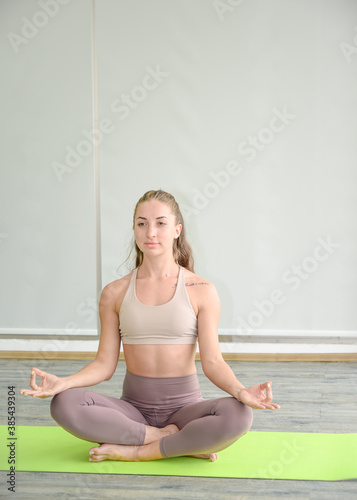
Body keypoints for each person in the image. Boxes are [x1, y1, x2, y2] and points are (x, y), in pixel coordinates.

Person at [20, 189, 280, 463]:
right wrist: (63, 383)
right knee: (64, 403)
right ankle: (173, 440)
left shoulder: (201, 290)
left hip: (186, 409)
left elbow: (213, 361)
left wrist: (241, 391)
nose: (150, 232)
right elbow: (104, 364)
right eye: (142, 223)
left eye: (161, 223)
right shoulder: (115, 292)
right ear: (134, 229)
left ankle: (138, 451)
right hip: (133, 410)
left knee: (240, 414)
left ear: (177, 230)